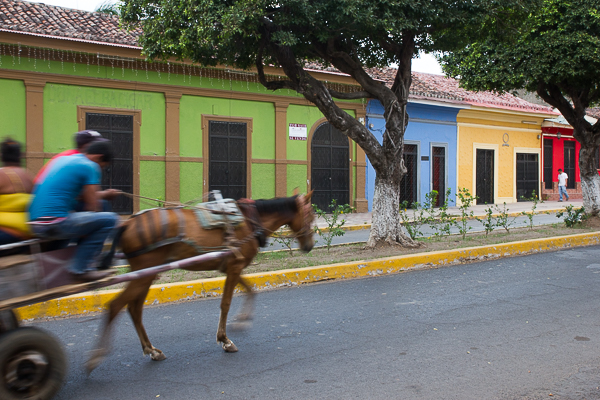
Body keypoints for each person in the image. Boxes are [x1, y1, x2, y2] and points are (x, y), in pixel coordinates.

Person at [29, 140, 121, 282]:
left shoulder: (64, 159)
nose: (101, 170)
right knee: (110, 219)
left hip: (35, 222)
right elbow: (93, 207)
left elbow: (74, 195)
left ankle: (62, 266)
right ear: (98, 157)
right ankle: (81, 269)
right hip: (54, 223)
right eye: (103, 167)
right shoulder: (90, 166)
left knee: (79, 219)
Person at [0, 138, 34, 245]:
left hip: (7, 233)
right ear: (19, 156)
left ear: (2, 156)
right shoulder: (29, 176)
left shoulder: (1, 175)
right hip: (29, 232)